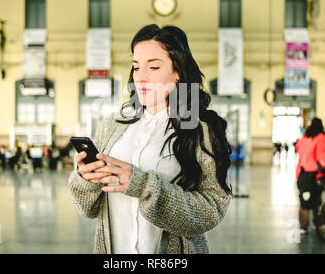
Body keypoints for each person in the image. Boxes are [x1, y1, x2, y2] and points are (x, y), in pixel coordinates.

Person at [68, 24, 232, 254]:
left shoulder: (200, 130)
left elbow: (211, 211)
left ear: (178, 72)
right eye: (136, 67)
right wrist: (87, 179)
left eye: (154, 67)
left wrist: (143, 185)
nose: (141, 78)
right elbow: (87, 209)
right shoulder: (113, 126)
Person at [295, 117, 325, 235]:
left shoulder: (304, 138)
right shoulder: (321, 137)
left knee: (305, 199)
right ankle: (318, 225)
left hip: (302, 172)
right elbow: (320, 155)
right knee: (317, 199)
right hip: (314, 173)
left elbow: (298, 149)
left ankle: (303, 227)